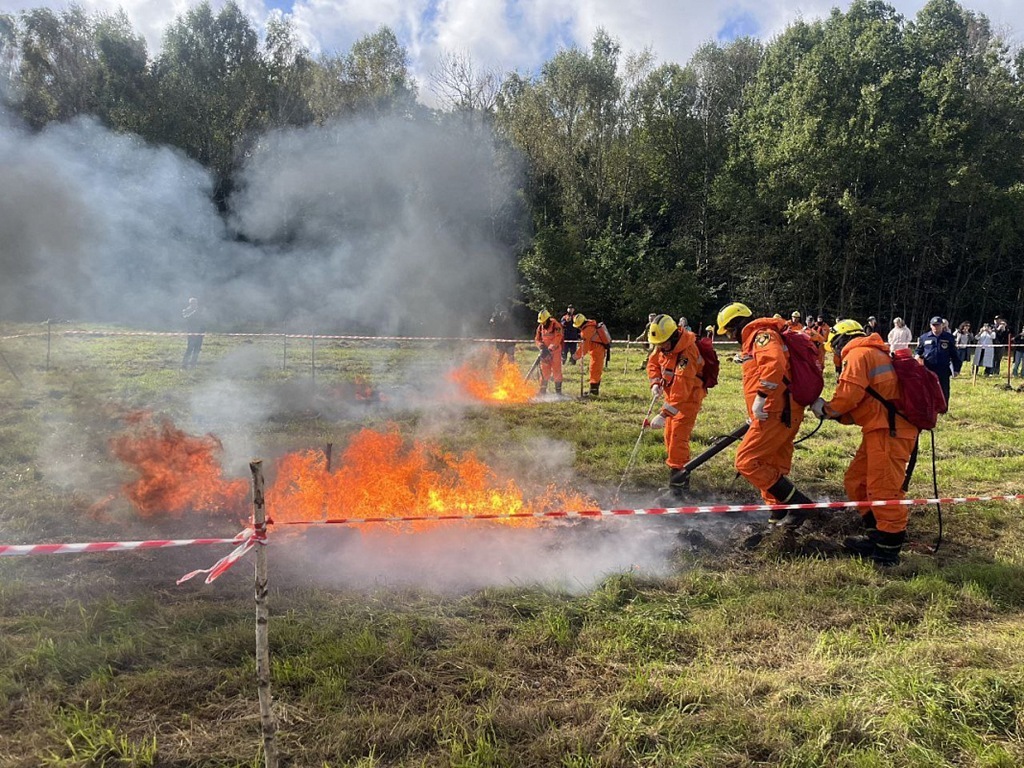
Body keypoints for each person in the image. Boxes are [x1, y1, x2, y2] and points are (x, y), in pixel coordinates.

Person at [810, 320, 918, 566]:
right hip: (880, 429)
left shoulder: (858, 354)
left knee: (884, 490)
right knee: (856, 482)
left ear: (840, 341)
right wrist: (837, 415)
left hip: (890, 431)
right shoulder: (872, 353)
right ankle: (876, 536)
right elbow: (865, 404)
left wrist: (826, 409)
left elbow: (848, 395)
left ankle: (888, 552)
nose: (836, 354)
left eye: (834, 348)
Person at [716, 302, 811, 525]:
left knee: (746, 461)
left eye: (730, 331)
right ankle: (779, 515)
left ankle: (799, 505)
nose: (730, 338)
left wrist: (762, 395)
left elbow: (774, 364)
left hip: (776, 410)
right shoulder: (756, 338)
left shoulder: (761, 336)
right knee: (771, 466)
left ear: (737, 324)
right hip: (779, 409)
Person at [645, 315, 707, 503]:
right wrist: (655, 382)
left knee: (678, 441)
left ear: (672, 336)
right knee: (669, 438)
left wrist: (663, 414)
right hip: (672, 399)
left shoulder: (687, 353)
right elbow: (653, 363)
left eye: (663, 343)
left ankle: (679, 491)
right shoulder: (664, 346)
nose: (660, 347)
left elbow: (682, 391)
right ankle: (675, 483)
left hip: (687, 401)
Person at [915, 315, 960, 403]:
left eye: (938, 325)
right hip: (928, 368)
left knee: (944, 389)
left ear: (942, 325)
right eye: (934, 325)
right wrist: (916, 357)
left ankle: (943, 408)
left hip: (943, 368)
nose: (936, 327)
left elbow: (955, 354)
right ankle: (929, 407)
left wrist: (957, 369)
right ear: (930, 325)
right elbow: (918, 351)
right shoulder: (924, 337)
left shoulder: (948, 337)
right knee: (928, 389)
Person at [573, 313, 611, 396]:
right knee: (593, 369)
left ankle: (594, 392)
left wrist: (575, 357)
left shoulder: (587, 330)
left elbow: (584, 347)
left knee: (595, 370)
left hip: (597, 351)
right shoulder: (590, 326)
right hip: (597, 351)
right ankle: (593, 390)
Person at [534, 310, 564, 395]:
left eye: (543, 322)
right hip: (545, 353)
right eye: (541, 322)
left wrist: (550, 349)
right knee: (544, 371)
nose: (542, 323)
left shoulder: (556, 325)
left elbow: (558, 338)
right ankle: (542, 391)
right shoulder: (540, 327)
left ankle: (558, 392)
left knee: (556, 371)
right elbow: (537, 339)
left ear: (548, 319)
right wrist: (541, 347)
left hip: (555, 352)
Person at [181, 297, 204, 369]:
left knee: (197, 350)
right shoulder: (186, 310)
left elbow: (204, 321)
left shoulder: (200, 311)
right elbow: (186, 318)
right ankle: (184, 365)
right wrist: (194, 313)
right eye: (193, 303)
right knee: (190, 349)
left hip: (200, 333)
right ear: (190, 304)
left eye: (195, 303)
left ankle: (193, 365)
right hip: (191, 332)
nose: (195, 305)